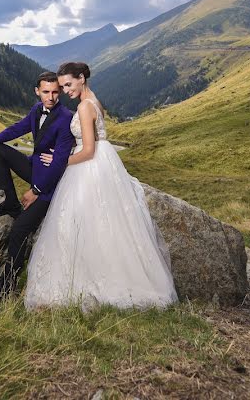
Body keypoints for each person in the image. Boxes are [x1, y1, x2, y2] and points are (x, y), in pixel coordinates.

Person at [24, 61, 178, 311]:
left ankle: (88, 280)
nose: (64, 90)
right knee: (108, 224)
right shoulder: (95, 100)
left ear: (82, 78)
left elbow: (87, 151)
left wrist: (58, 161)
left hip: (91, 166)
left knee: (82, 222)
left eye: (68, 84)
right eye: (62, 86)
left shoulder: (84, 107)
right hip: (106, 163)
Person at [0, 71, 75, 295]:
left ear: (59, 92)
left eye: (55, 92)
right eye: (45, 92)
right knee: (0, 150)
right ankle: (10, 202)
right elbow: (16, 129)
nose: (50, 97)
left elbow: (60, 163)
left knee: (20, 228)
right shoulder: (35, 109)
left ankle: (5, 287)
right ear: (37, 91)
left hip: (50, 185)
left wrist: (35, 191)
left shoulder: (66, 118)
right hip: (36, 168)